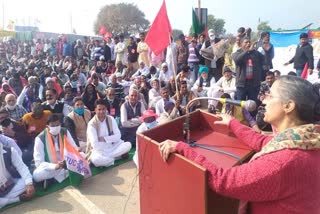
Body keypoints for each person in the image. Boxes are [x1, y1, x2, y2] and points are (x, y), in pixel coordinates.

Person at [159, 75, 320, 213]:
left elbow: (223, 181)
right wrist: (233, 124)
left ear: (288, 106)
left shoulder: (282, 162)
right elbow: (264, 141)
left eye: (270, 96)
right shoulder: (305, 140)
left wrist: (181, 147)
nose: (263, 101)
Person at [33, 114, 80, 185]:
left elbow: (74, 148)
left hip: (65, 163)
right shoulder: (40, 138)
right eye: (53, 126)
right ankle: (63, 175)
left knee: (82, 157)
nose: (56, 127)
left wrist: (72, 156)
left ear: (60, 124)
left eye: (57, 125)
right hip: (51, 167)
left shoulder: (65, 131)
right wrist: (55, 166)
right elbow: (39, 163)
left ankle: (52, 179)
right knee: (36, 175)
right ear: (47, 127)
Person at [87, 99, 131, 167]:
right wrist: (111, 139)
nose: (101, 111)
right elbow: (95, 145)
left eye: (103, 109)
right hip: (100, 151)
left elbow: (118, 136)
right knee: (96, 160)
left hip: (113, 146)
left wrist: (104, 139)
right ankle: (116, 157)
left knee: (128, 145)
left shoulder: (111, 119)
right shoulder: (92, 124)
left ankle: (109, 160)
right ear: (95, 110)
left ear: (106, 109)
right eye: (99, 109)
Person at [0, 143, 35, 209]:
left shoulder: (10, 151)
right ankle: (18, 199)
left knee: (25, 183)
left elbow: (22, 167)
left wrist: (29, 184)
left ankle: (4, 200)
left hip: (12, 183)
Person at [232, 37, 265, 104]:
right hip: (242, 84)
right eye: (246, 42)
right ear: (241, 44)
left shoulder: (255, 53)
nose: (248, 43)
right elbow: (237, 60)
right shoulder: (237, 53)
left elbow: (264, 59)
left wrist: (255, 50)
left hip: (254, 84)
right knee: (240, 104)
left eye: (249, 42)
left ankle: (252, 115)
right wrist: (247, 51)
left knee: (252, 104)